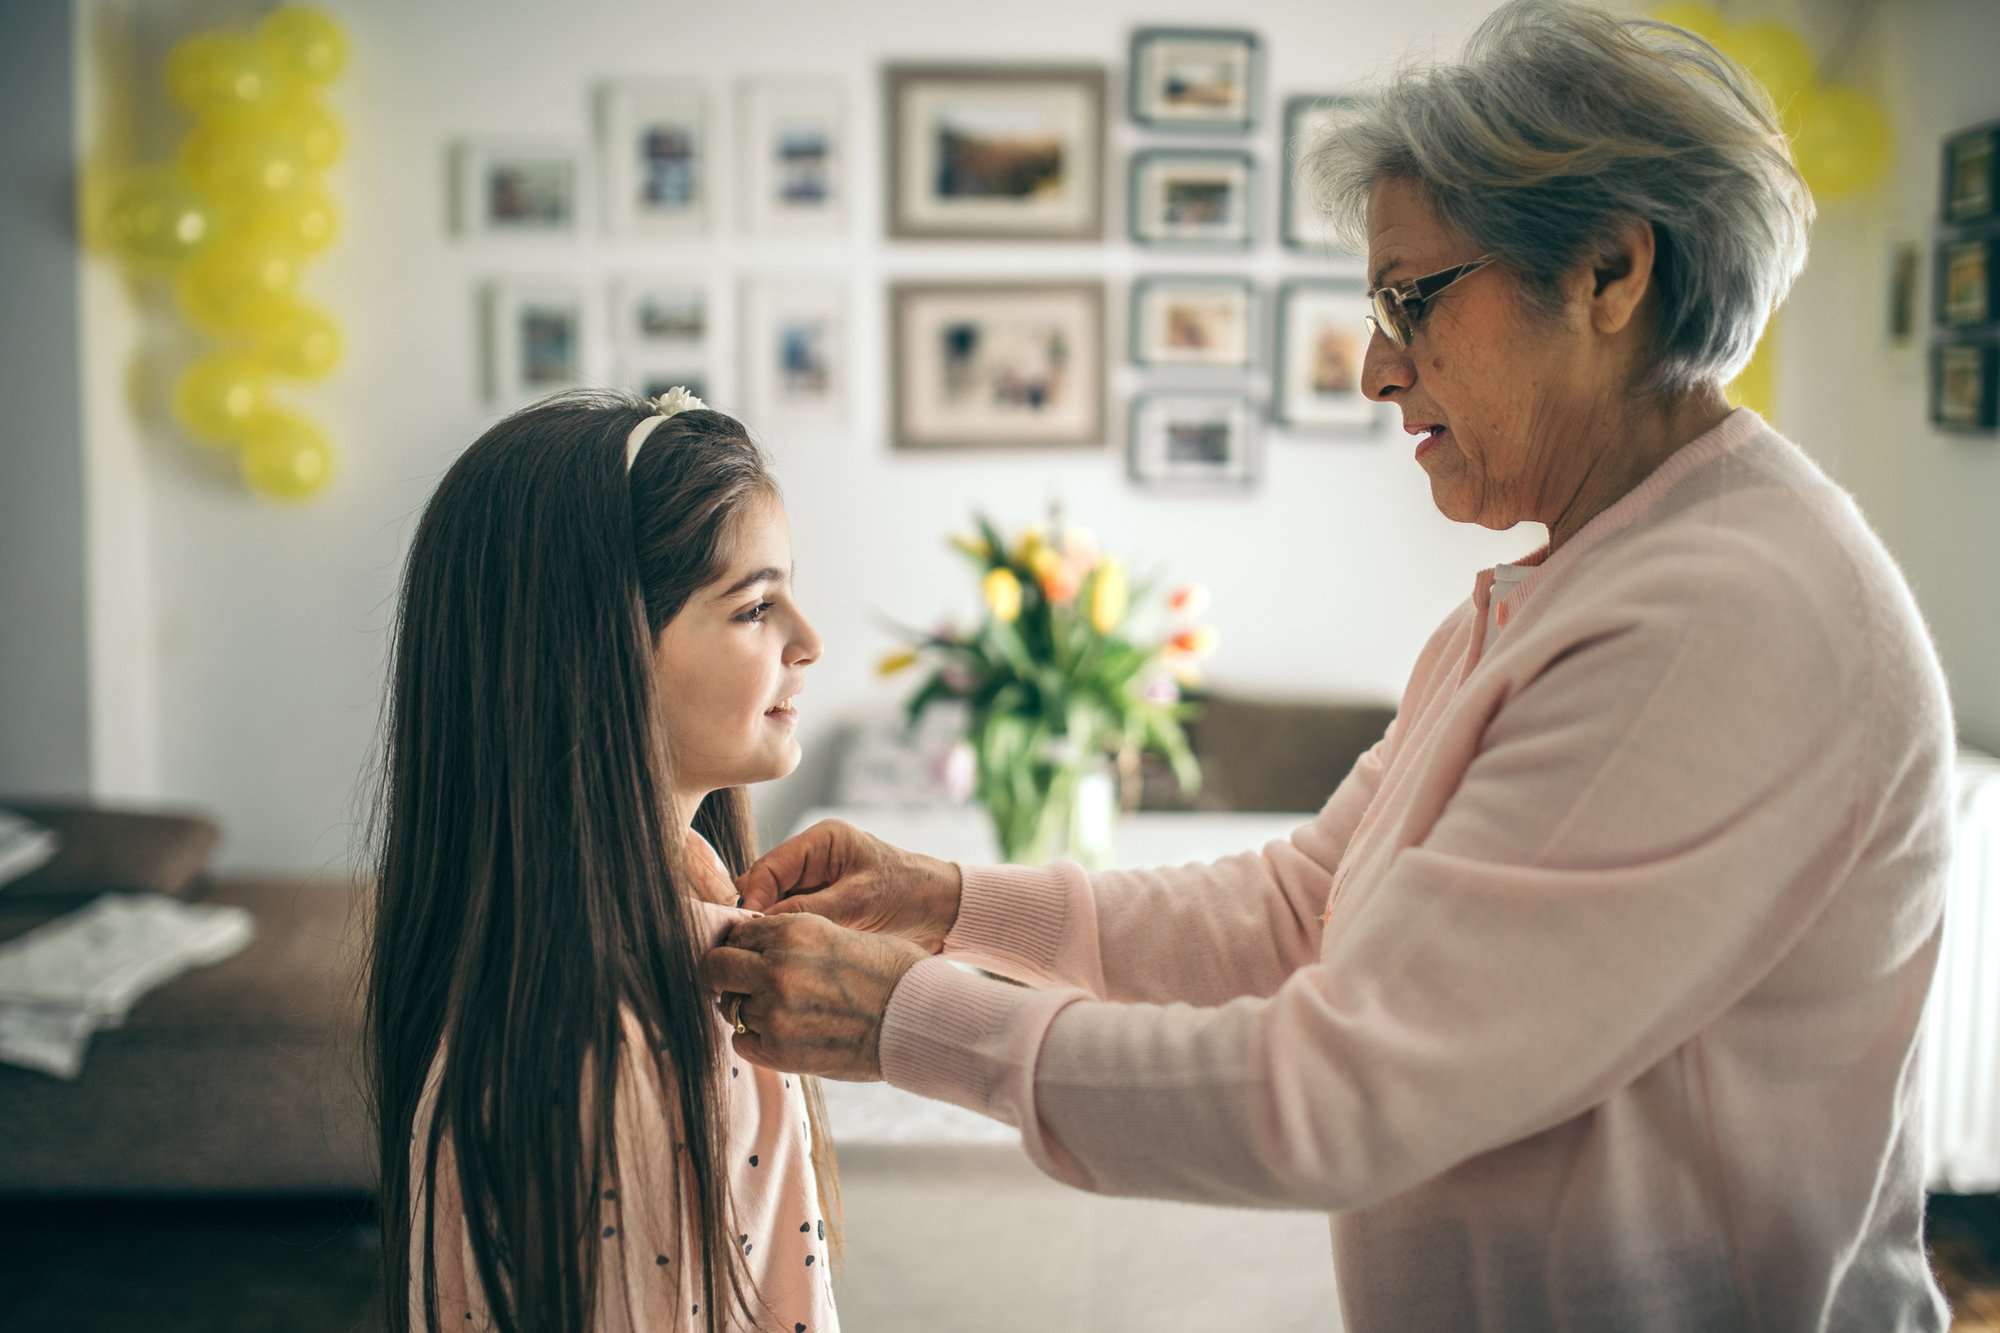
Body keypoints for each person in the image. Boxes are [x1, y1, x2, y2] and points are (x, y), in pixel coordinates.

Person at [701, 3, 1957, 1328]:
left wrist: (913, 1020)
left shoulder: (1716, 618)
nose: (1373, 366)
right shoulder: (1588, 573)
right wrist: (950, 898)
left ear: (1606, 272)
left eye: (1412, 299)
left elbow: (1337, 1094)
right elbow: (1306, 911)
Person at [365, 389, 838, 1333]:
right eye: (754, 606)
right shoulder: (622, 1044)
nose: (808, 641)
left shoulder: (675, 927)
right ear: (597, 655)